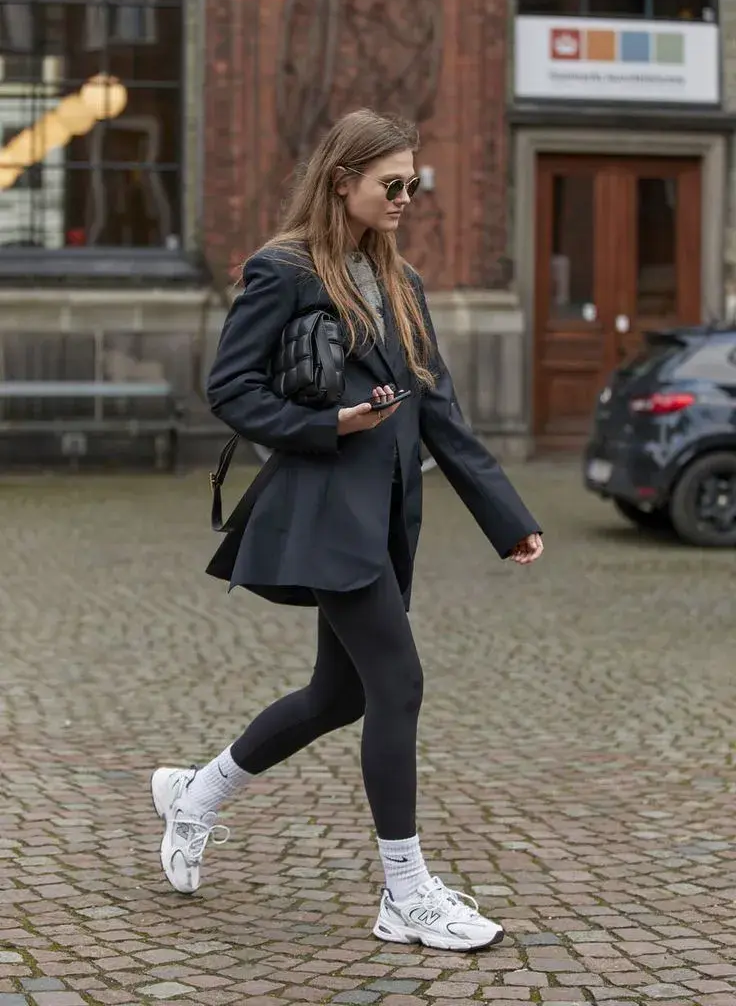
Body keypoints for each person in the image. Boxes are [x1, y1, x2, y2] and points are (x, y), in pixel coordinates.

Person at [151, 109, 543, 951]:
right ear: (343, 182)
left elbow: (441, 412)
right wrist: (331, 422)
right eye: (390, 185)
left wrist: (506, 519)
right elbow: (231, 387)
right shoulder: (283, 269)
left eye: (413, 185)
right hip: (324, 513)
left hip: (386, 518)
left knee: (343, 694)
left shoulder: (403, 284)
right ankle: (405, 892)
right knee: (398, 684)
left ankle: (197, 793)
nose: (406, 198)